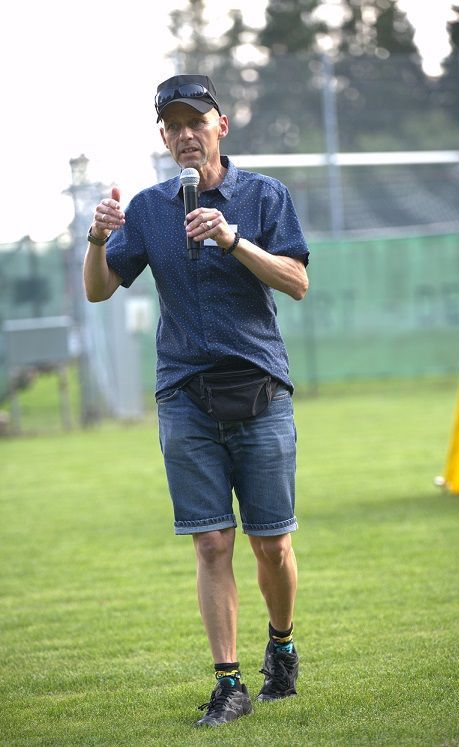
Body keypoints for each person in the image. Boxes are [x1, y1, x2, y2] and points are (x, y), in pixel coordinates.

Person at [83, 74, 309, 728]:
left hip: (260, 390)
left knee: (271, 545)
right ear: (163, 137)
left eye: (196, 122)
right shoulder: (150, 208)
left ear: (221, 126)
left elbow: (296, 280)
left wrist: (232, 239)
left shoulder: (265, 196)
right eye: (173, 125)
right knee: (211, 541)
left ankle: (281, 643)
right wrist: (97, 239)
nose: (185, 134)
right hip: (184, 394)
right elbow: (99, 290)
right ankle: (228, 682)